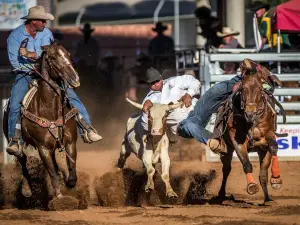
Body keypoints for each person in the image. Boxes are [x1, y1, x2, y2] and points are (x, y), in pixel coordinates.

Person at [6, 6, 102, 157]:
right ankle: (15, 140)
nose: (45, 23)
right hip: (26, 74)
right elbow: (15, 62)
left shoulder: (46, 33)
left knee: (71, 96)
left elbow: (51, 54)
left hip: (49, 72)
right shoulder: (14, 36)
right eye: (43, 21)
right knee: (14, 104)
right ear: (34, 21)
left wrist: (31, 55)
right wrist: (35, 63)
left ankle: (87, 129)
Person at [141, 67, 200, 141]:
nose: (156, 84)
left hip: (199, 112)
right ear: (148, 84)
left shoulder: (173, 81)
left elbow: (194, 82)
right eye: (152, 83)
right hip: (183, 129)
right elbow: (145, 126)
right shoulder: (149, 100)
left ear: (161, 78)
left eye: (157, 81)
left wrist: (189, 94)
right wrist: (146, 113)